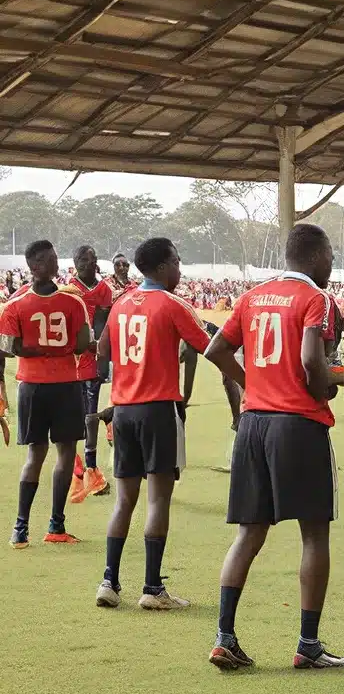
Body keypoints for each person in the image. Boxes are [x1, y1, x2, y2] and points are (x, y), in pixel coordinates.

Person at [205, 223, 344, 670]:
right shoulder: (317, 299)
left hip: (253, 424)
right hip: (298, 426)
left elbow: (216, 350)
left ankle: (224, 637)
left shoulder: (252, 296)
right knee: (314, 534)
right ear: (317, 255)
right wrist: (323, 388)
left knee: (248, 534)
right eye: (330, 254)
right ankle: (308, 645)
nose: (331, 263)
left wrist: (255, 383)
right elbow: (312, 359)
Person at [94, 238, 244, 611]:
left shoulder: (122, 302)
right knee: (158, 498)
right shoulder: (174, 303)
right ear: (162, 267)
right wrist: (248, 381)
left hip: (123, 411)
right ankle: (152, 588)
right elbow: (211, 348)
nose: (180, 269)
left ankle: (109, 581)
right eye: (176, 261)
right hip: (159, 409)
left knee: (123, 500)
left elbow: (102, 350)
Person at [0, 240, 91, 547]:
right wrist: (59, 348)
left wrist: (35, 349)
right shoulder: (74, 303)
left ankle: (20, 528)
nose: (56, 264)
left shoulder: (14, 304)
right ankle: (56, 525)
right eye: (51, 260)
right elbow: (81, 344)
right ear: (36, 266)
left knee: (34, 455)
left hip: (31, 386)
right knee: (64, 454)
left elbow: (7, 348)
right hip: (65, 384)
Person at [67, 245, 113, 503]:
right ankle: (79, 466)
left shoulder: (103, 289)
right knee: (75, 414)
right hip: (69, 359)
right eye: (82, 259)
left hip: (91, 358)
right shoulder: (69, 289)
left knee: (90, 414)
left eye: (91, 258)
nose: (87, 263)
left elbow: (103, 323)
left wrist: (99, 352)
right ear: (75, 262)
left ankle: (90, 466)